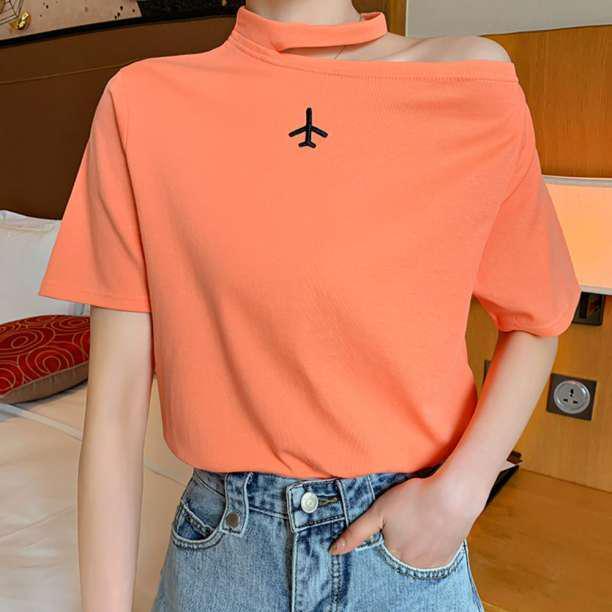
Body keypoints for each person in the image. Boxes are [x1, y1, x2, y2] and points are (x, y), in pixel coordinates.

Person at [38, 1, 581, 610]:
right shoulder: (144, 101)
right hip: (223, 555)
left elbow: (537, 318)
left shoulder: (469, 80)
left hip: (400, 554)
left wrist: (462, 493)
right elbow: (115, 410)